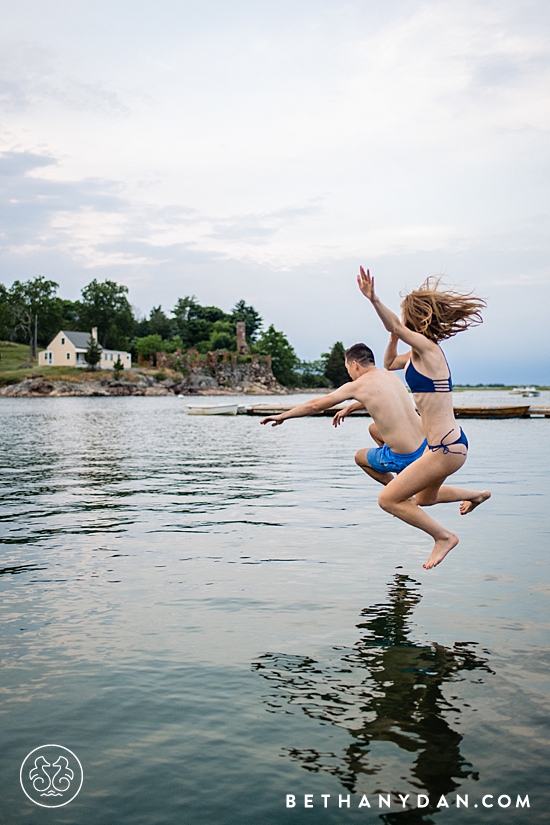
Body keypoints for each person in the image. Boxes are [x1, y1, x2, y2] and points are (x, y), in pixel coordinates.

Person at [357, 267, 491, 569]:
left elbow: (395, 325)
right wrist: (393, 334)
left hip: (445, 449)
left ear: (413, 320)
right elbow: (389, 362)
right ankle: (477, 495)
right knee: (423, 499)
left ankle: (443, 537)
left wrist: (374, 300)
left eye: (404, 319)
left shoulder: (429, 350)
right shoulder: (417, 356)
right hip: (446, 447)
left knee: (388, 500)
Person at [260, 343, 427, 486]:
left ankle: (400, 488)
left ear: (355, 365)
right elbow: (381, 399)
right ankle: (404, 472)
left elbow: (315, 405)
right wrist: (351, 408)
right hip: (425, 446)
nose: (350, 375)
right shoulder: (391, 376)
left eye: (348, 370)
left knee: (360, 458)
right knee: (373, 429)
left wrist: (283, 416)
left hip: (407, 456)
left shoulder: (358, 385)